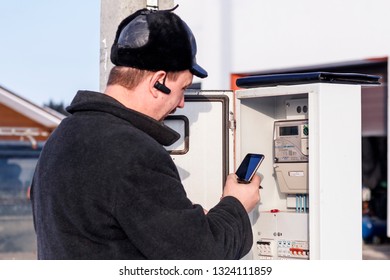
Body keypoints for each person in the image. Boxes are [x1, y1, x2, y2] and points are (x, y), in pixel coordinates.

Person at [31, 6, 261, 260]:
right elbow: (203, 258)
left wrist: (188, 225)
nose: (182, 103)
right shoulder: (133, 152)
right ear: (157, 82)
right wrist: (236, 205)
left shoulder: (61, 136)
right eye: (183, 88)